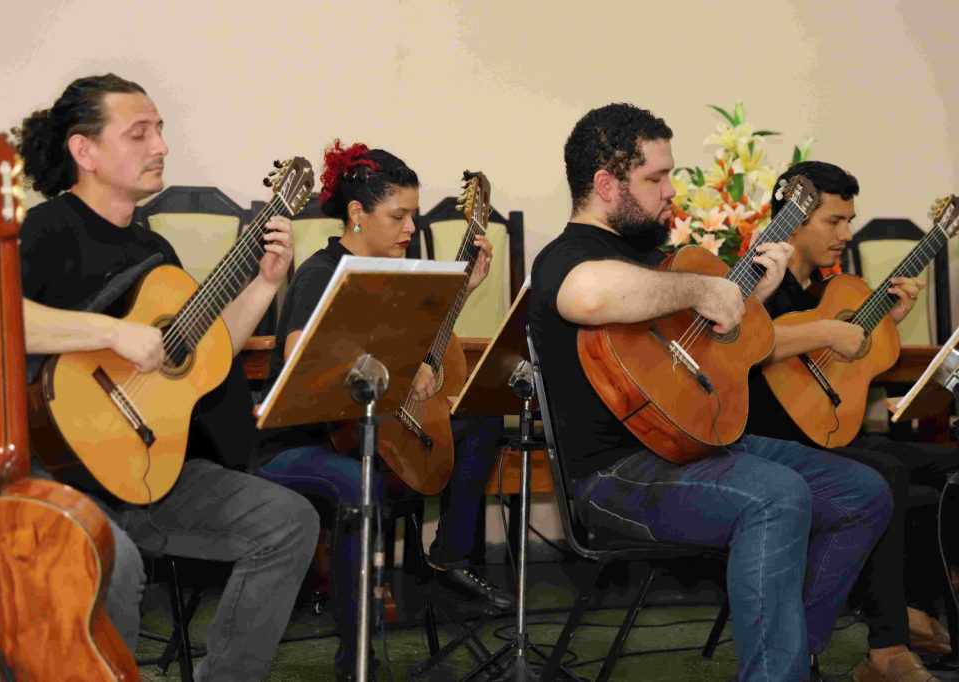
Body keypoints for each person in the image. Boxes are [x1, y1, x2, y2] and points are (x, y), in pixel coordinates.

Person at [0, 73, 320, 681]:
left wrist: (264, 284)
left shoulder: (154, 252)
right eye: (139, 133)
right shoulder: (45, 228)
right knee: (113, 562)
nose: (161, 146)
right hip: (53, 474)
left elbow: (202, 356)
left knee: (287, 521)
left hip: (144, 471)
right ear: (85, 151)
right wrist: (111, 333)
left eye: (161, 131)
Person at [528, 103, 893, 682]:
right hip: (615, 474)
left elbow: (720, 358)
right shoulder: (565, 257)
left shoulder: (660, 260)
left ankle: (795, 655)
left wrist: (752, 297)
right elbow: (590, 295)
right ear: (606, 185)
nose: (671, 190)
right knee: (776, 496)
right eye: (656, 177)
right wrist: (705, 289)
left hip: (699, 446)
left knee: (862, 492)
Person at [254, 140, 511, 680]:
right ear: (357, 213)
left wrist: (463, 290)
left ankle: (447, 559)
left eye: (413, 215)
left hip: (372, 431)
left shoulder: (399, 270)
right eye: (398, 216)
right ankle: (358, 662)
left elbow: (420, 339)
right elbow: (309, 364)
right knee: (360, 484)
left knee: (481, 416)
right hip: (300, 443)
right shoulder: (321, 273)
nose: (410, 227)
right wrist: (398, 372)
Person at [746, 160, 959, 682]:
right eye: (834, 221)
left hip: (830, 435)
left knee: (949, 468)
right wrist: (825, 333)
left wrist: (885, 323)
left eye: (850, 220)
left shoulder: (834, 290)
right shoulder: (757, 282)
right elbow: (743, 346)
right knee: (885, 474)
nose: (846, 234)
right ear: (794, 219)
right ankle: (887, 647)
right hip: (770, 445)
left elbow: (851, 362)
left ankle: (918, 608)